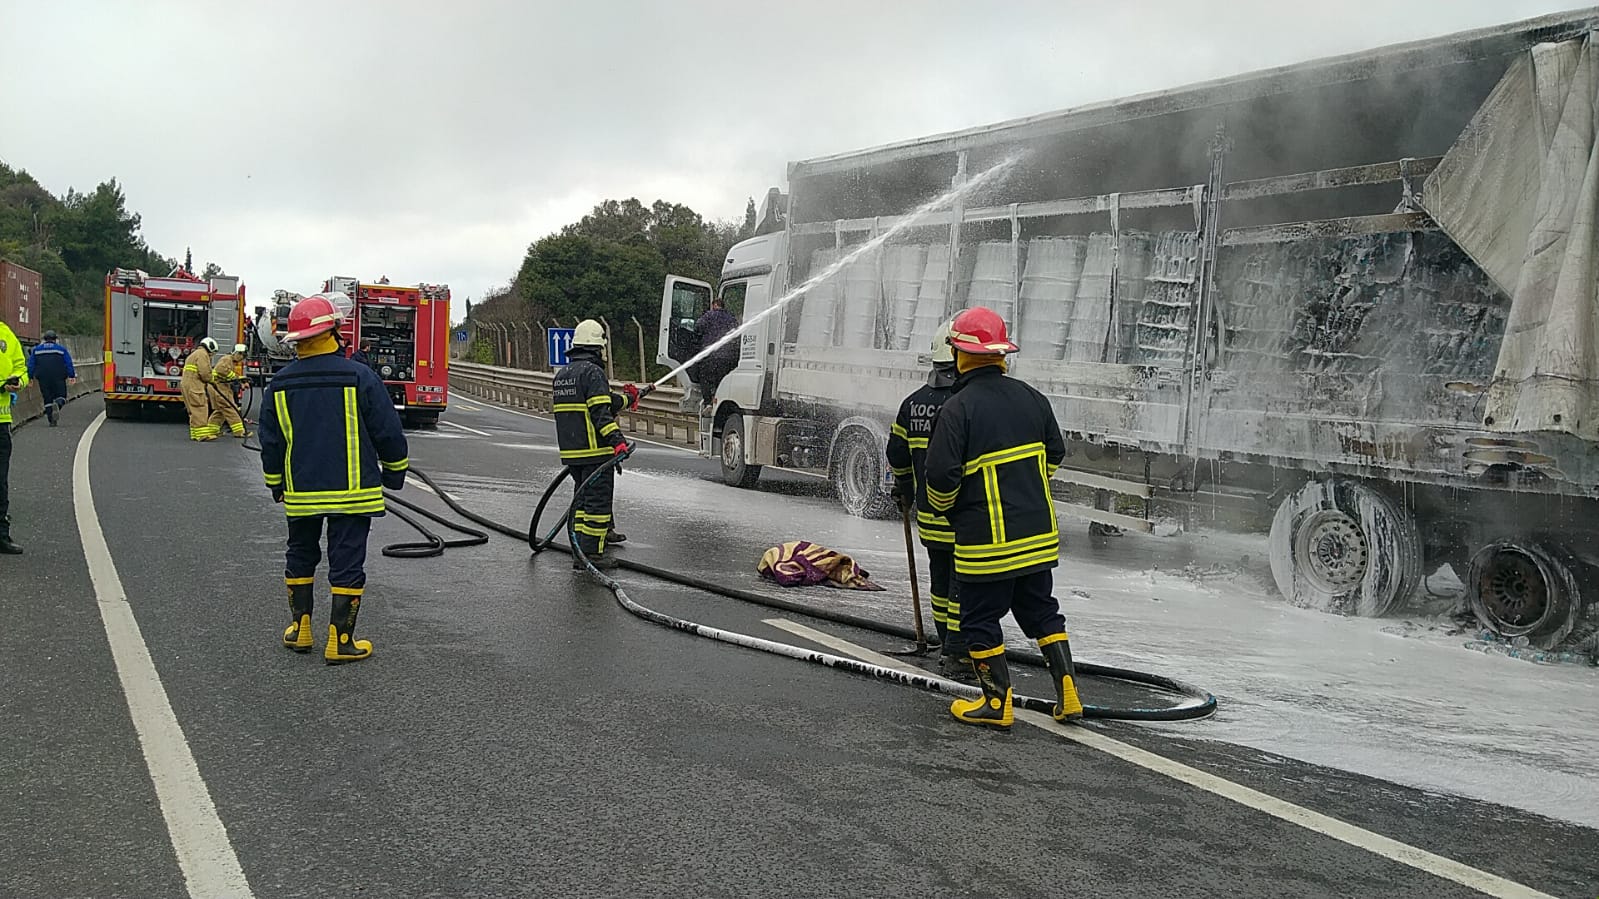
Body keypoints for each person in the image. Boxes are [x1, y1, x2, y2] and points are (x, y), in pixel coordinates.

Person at [924, 306, 1083, 728]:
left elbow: (940, 479)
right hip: (1037, 538)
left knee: (978, 618)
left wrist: (947, 508)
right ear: (1000, 355)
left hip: (987, 544)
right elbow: (1055, 455)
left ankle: (996, 703)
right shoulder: (1034, 399)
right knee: (1042, 612)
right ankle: (1069, 694)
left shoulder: (958, 410)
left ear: (960, 354)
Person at [259, 294, 409, 664]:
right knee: (347, 561)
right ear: (335, 331)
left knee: (300, 554)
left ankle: (300, 629)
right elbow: (388, 432)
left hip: (302, 493)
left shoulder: (279, 385)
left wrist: (275, 483)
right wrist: (394, 472)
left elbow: (271, 442)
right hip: (354, 494)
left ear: (295, 340)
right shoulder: (360, 376)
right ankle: (341, 640)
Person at [885, 319, 969, 680]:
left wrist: (904, 489)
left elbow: (897, 454)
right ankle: (955, 651)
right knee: (961, 587)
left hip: (930, 517)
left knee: (939, 581)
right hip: (965, 519)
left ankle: (945, 641)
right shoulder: (966, 404)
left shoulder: (912, 404)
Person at [552, 319, 627, 570]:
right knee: (597, 506)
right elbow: (600, 412)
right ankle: (592, 556)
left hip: (573, 454)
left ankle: (579, 550)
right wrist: (617, 442)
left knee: (581, 504)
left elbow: (599, 402)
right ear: (598, 347)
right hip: (596, 451)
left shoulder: (563, 374)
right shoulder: (593, 372)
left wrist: (628, 398)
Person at [0, 318, 27, 554]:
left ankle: (1, 535)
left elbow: (22, 368)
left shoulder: (6, 335)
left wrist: (19, 381)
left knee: (0, 483)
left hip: (1, 422)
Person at [691, 296, 739, 407]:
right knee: (721, 380)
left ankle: (708, 403)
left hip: (710, 356)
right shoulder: (731, 318)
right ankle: (718, 402)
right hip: (727, 358)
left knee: (704, 377)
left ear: (714, 305)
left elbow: (698, 327)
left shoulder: (708, 316)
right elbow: (736, 334)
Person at [27, 330, 76, 427]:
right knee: (62, 396)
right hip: (58, 376)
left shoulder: (36, 350)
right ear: (55, 339)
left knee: (47, 398)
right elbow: (68, 363)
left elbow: (31, 365)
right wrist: (71, 375)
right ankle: (57, 404)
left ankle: (51, 420)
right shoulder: (61, 350)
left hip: (43, 377)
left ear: (44, 339)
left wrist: (30, 377)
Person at [181, 337, 220, 441]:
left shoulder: (194, 354)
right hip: (195, 385)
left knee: (192, 410)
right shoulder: (203, 354)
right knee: (200, 408)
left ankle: (195, 433)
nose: (212, 356)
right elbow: (205, 373)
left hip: (187, 384)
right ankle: (202, 435)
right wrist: (212, 379)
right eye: (213, 353)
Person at [207, 344, 249, 438]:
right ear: (238, 353)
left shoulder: (229, 361)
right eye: (242, 355)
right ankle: (239, 432)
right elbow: (221, 370)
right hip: (219, 386)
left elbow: (228, 374)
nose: (242, 359)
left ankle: (212, 430)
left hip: (219, 386)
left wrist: (240, 381)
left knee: (221, 410)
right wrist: (235, 378)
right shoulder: (227, 359)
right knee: (230, 408)